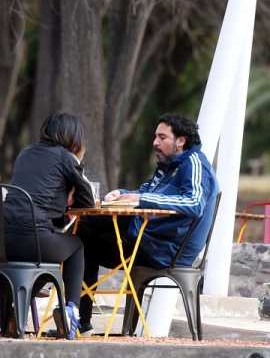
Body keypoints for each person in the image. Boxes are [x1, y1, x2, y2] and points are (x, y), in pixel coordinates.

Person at [77, 113, 219, 334]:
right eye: (155, 137)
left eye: (162, 137)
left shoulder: (194, 162)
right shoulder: (169, 164)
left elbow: (194, 202)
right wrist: (123, 194)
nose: (155, 142)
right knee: (85, 234)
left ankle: (75, 316)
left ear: (181, 141)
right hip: (148, 240)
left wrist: (140, 199)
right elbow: (146, 192)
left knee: (86, 231)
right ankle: (80, 321)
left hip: (168, 250)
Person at [2, 112, 94, 339]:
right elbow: (89, 201)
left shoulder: (25, 153)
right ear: (74, 137)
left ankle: (16, 313)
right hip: (34, 238)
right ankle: (71, 310)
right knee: (76, 246)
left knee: (46, 259)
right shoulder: (66, 158)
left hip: (2, 241)